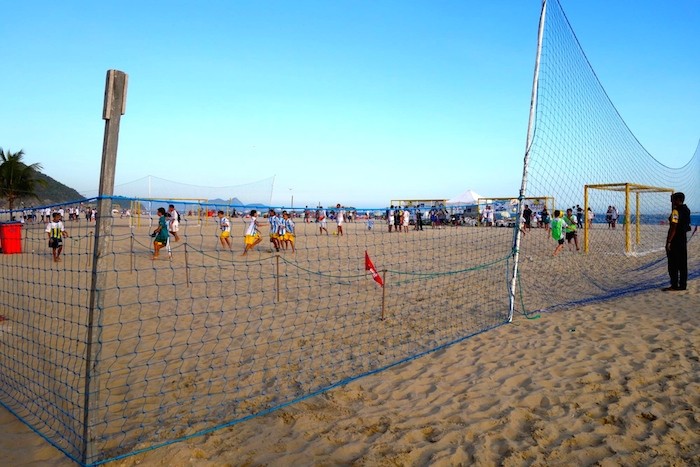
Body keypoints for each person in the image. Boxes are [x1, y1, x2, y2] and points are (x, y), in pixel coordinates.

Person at [664, 192, 691, 291]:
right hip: (683, 239)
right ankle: (683, 285)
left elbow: (674, 227)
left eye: (673, 200)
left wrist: (669, 241)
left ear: (678, 200)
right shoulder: (687, 210)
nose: (671, 202)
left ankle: (674, 285)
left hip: (675, 239)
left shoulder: (676, 211)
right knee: (683, 263)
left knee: (673, 264)